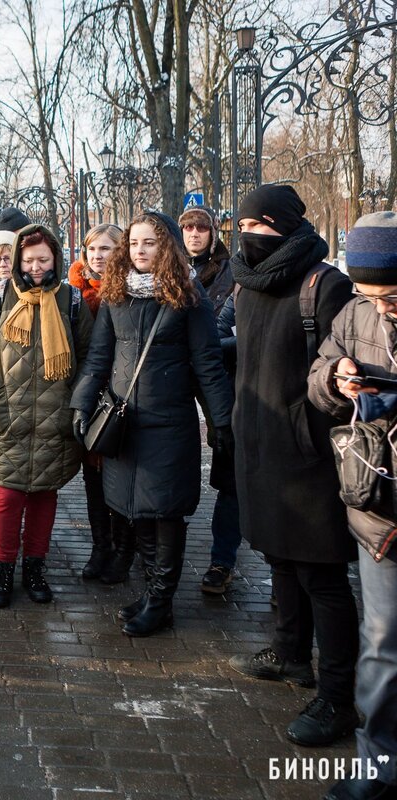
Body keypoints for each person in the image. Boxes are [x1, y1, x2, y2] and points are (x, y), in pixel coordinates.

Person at [226, 184, 360, 748]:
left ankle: (339, 696)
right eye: (242, 225)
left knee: (321, 574)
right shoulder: (245, 282)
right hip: (258, 444)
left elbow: (340, 368)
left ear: (282, 225)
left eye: (258, 225)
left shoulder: (324, 284)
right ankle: (289, 653)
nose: (248, 235)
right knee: (278, 554)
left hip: (308, 452)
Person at [70, 212, 233, 638]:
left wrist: (222, 421)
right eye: (134, 242)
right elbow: (99, 357)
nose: (139, 250)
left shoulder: (189, 296)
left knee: (165, 513)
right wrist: (81, 405)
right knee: (136, 511)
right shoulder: (116, 293)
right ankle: (151, 594)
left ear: (167, 247)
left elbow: (208, 364)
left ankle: (161, 602)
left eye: (150, 242)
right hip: (125, 424)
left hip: (169, 424)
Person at [308, 212, 397, 800]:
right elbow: (317, 374)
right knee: (383, 643)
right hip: (379, 510)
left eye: (391, 297)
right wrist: (335, 381)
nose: (380, 307)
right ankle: (379, 766)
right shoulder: (354, 312)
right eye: (369, 295)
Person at [0, 225, 93, 607]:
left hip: (56, 419)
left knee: (43, 496)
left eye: (43, 259)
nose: (36, 267)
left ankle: (35, 568)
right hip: (7, 416)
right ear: (18, 261)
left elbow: (90, 356)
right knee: (6, 497)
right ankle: (3, 570)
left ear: (56, 258)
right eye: (28, 260)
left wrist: (74, 401)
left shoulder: (71, 300)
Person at [178, 205, 241, 595]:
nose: (194, 233)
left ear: (213, 232)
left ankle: (224, 559)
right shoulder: (170, 266)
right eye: (188, 227)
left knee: (231, 466)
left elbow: (223, 330)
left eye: (201, 227)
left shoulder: (232, 272)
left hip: (223, 375)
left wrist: (216, 345)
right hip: (179, 373)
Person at [67, 224, 134, 584]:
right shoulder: (73, 293)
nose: (97, 256)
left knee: (119, 474)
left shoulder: (130, 289)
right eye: (92, 249)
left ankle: (124, 549)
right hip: (87, 391)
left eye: (106, 249)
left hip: (122, 392)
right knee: (92, 476)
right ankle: (100, 547)